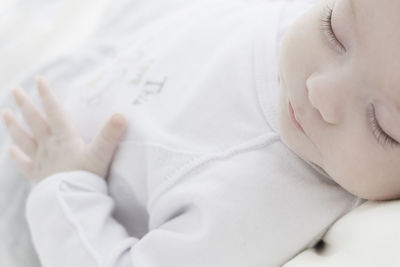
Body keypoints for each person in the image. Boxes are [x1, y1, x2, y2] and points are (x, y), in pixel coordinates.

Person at [2, 0, 387, 266]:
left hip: (42, 183)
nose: (320, 92)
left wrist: (64, 185)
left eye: (385, 124)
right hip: (122, 56)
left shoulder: (260, 212)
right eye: (334, 31)